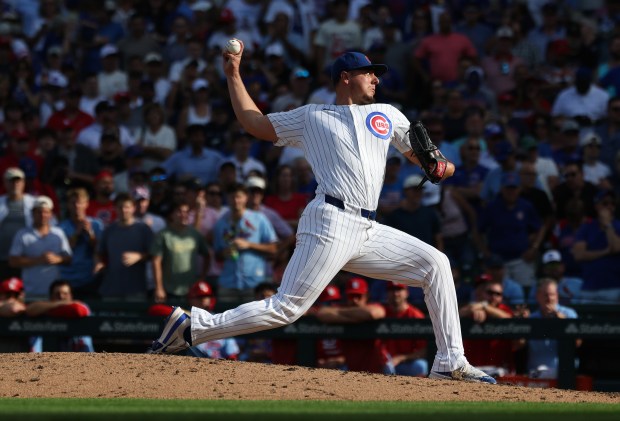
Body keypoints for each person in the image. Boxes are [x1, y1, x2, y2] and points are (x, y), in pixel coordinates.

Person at [149, 47, 496, 384]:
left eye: (377, 74)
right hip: (330, 219)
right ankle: (194, 327)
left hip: (368, 227)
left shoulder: (388, 114)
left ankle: (451, 361)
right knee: (286, 308)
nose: (376, 79)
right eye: (368, 72)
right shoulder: (312, 116)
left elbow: (431, 163)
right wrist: (234, 75)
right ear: (345, 77)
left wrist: (440, 166)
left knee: (435, 264)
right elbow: (255, 123)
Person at [212, 183, 278, 303]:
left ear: (246, 198)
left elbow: (273, 248)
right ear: (227, 198)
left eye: (239, 196)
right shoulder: (221, 223)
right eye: (232, 197)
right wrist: (224, 252)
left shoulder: (259, 219)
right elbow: (217, 255)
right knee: (226, 321)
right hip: (228, 283)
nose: (236, 200)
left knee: (254, 321)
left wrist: (249, 245)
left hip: (254, 284)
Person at [8, 196, 72, 300]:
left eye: (46, 212)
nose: (43, 215)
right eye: (39, 212)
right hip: (31, 292)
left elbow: (68, 258)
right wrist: (39, 260)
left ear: (51, 214)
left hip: (56, 294)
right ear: (33, 213)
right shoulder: (22, 234)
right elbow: (13, 261)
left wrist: (58, 259)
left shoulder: (59, 233)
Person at [151, 201, 210, 302]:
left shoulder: (194, 234)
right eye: (180, 211)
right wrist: (159, 288)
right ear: (172, 215)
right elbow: (156, 261)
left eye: (186, 212)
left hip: (192, 291)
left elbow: (207, 255)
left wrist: (202, 277)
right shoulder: (163, 234)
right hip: (169, 290)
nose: (184, 215)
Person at [526, 278, 579, 379]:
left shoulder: (569, 314)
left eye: (552, 294)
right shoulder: (532, 318)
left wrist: (561, 321)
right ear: (538, 296)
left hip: (564, 373)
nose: (549, 298)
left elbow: (578, 343)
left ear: (557, 296)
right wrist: (522, 322)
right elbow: (518, 345)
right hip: (535, 373)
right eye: (546, 295)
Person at [58, 188, 104, 299]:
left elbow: (100, 250)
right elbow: (63, 251)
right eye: (73, 203)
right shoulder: (61, 227)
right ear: (68, 205)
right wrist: (77, 233)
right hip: (67, 279)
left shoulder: (97, 224)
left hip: (90, 278)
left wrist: (90, 234)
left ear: (86, 204)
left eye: (80, 203)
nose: (77, 206)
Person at [26, 280, 95, 353]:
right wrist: (59, 304)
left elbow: (77, 310)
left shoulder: (81, 305)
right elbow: (30, 310)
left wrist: (51, 310)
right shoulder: (45, 307)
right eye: (57, 294)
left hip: (81, 359)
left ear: (71, 295)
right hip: (50, 358)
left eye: (65, 294)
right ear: (51, 296)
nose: (61, 296)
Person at [183, 280, 240, 360]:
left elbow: (232, 353)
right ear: (190, 299)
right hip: (196, 362)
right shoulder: (184, 318)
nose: (203, 300)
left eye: (206, 296)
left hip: (221, 365)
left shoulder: (219, 318)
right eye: (199, 297)